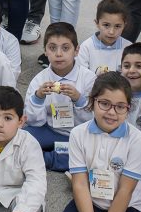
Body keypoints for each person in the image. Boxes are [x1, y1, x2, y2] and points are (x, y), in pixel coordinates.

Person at [48, 72, 141, 212]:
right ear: (92, 102)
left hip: (127, 206)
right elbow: (79, 184)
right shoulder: (78, 134)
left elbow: (125, 191)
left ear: (128, 108)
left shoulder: (137, 140)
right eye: (104, 103)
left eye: (120, 107)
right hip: (92, 200)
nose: (112, 112)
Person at [23, 22, 96, 171]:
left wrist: (79, 99)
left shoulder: (89, 79)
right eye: (52, 48)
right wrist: (38, 98)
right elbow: (33, 122)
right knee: (22, 137)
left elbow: (95, 120)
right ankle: (43, 157)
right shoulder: (39, 80)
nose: (58, 54)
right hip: (50, 131)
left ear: (76, 51)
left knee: (91, 152)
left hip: (79, 135)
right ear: (45, 51)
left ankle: (44, 159)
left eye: (65, 48)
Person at [76, 0, 131, 74]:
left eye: (117, 26)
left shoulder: (128, 48)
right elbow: (81, 76)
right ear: (97, 23)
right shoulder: (86, 48)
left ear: (124, 26)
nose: (111, 32)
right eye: (106, 25)